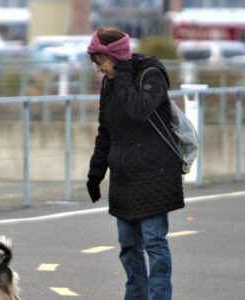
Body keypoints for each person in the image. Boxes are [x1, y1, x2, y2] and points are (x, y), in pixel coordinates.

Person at [86, 26, 184, 300]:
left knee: (154, 242)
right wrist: (95, 174)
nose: (98, 69)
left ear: (114, 57)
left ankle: (160, 297)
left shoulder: (151, 74)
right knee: (128, 246)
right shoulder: (111, 82)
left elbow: (139, 110)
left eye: (101, 62)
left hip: (155, 172)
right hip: (124, 176)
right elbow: (106, 131)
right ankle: (136, 296)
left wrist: (125, 75)